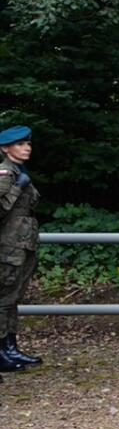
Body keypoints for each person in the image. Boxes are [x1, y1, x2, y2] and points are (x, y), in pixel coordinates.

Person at [0, 125, 42, 375]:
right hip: (7, 247)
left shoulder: (18, 171)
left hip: (19, 245)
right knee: (3, 300)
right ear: (5, 148)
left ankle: (9, 347)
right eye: (20, 144)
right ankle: (2, 352)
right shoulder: (6, 173)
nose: (27, 148)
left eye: (28, 144)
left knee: (12, 299)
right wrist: (17, 186)